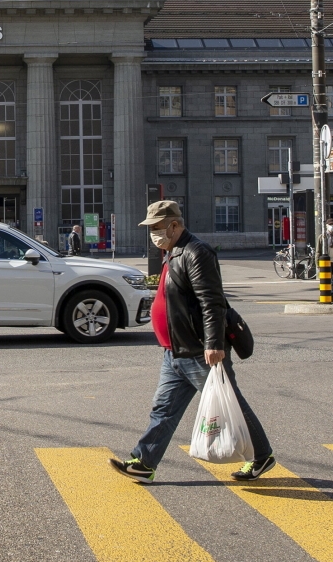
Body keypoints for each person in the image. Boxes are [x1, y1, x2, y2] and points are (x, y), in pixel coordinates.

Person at [111, 200, 276, 484]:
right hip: (175, 351)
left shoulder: (196, 252)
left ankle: (261, 457)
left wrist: (214, 344)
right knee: (163, 411)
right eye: (150, 228)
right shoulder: (172, 251)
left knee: (231, 405)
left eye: (157, 228)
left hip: (199, 350)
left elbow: (212, 303)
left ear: (174, 225)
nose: (153, 234)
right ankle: (144, 463)